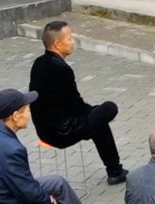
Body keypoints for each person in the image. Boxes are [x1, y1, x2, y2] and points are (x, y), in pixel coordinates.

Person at [29, 21, 126, 185]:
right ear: (57, 44)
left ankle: (115, 171)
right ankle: (115, 171)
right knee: (108, 109)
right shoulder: (61, 69)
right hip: (62, 131)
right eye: (69, 38)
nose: (73, 41)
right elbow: (76, 105)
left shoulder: (39, 63)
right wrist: (94, 112)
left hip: (44, 129)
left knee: (97, 120)